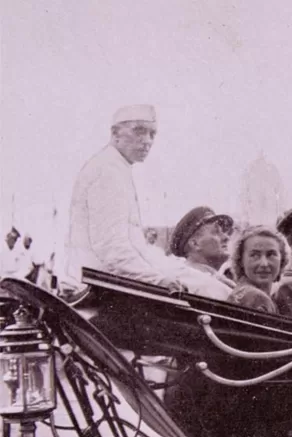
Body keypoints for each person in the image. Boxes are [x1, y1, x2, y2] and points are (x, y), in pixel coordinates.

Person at [63, 105, 232, 300]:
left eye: (152, 134)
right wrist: (158, 281)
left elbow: (137, 249)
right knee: (216, 293)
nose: (147, 141)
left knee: (214, 286)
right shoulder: (107, 172)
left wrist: (204, 275)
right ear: (115, 133)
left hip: (105, 282)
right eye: (139, 131)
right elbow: (112, 250)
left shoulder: (115, 167)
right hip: (96, 289)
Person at [169, 206, 236, 292]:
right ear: (195, 244)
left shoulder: (215, 280)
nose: (226, 237)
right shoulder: (193, 281)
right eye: (216, 232)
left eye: (224, 232)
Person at [228, 226, 287, 314]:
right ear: (240, 261)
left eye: (271, 255)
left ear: (282, 259)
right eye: (254, 255)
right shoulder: (256, 298)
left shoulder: (243, 292)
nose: (264, 264)